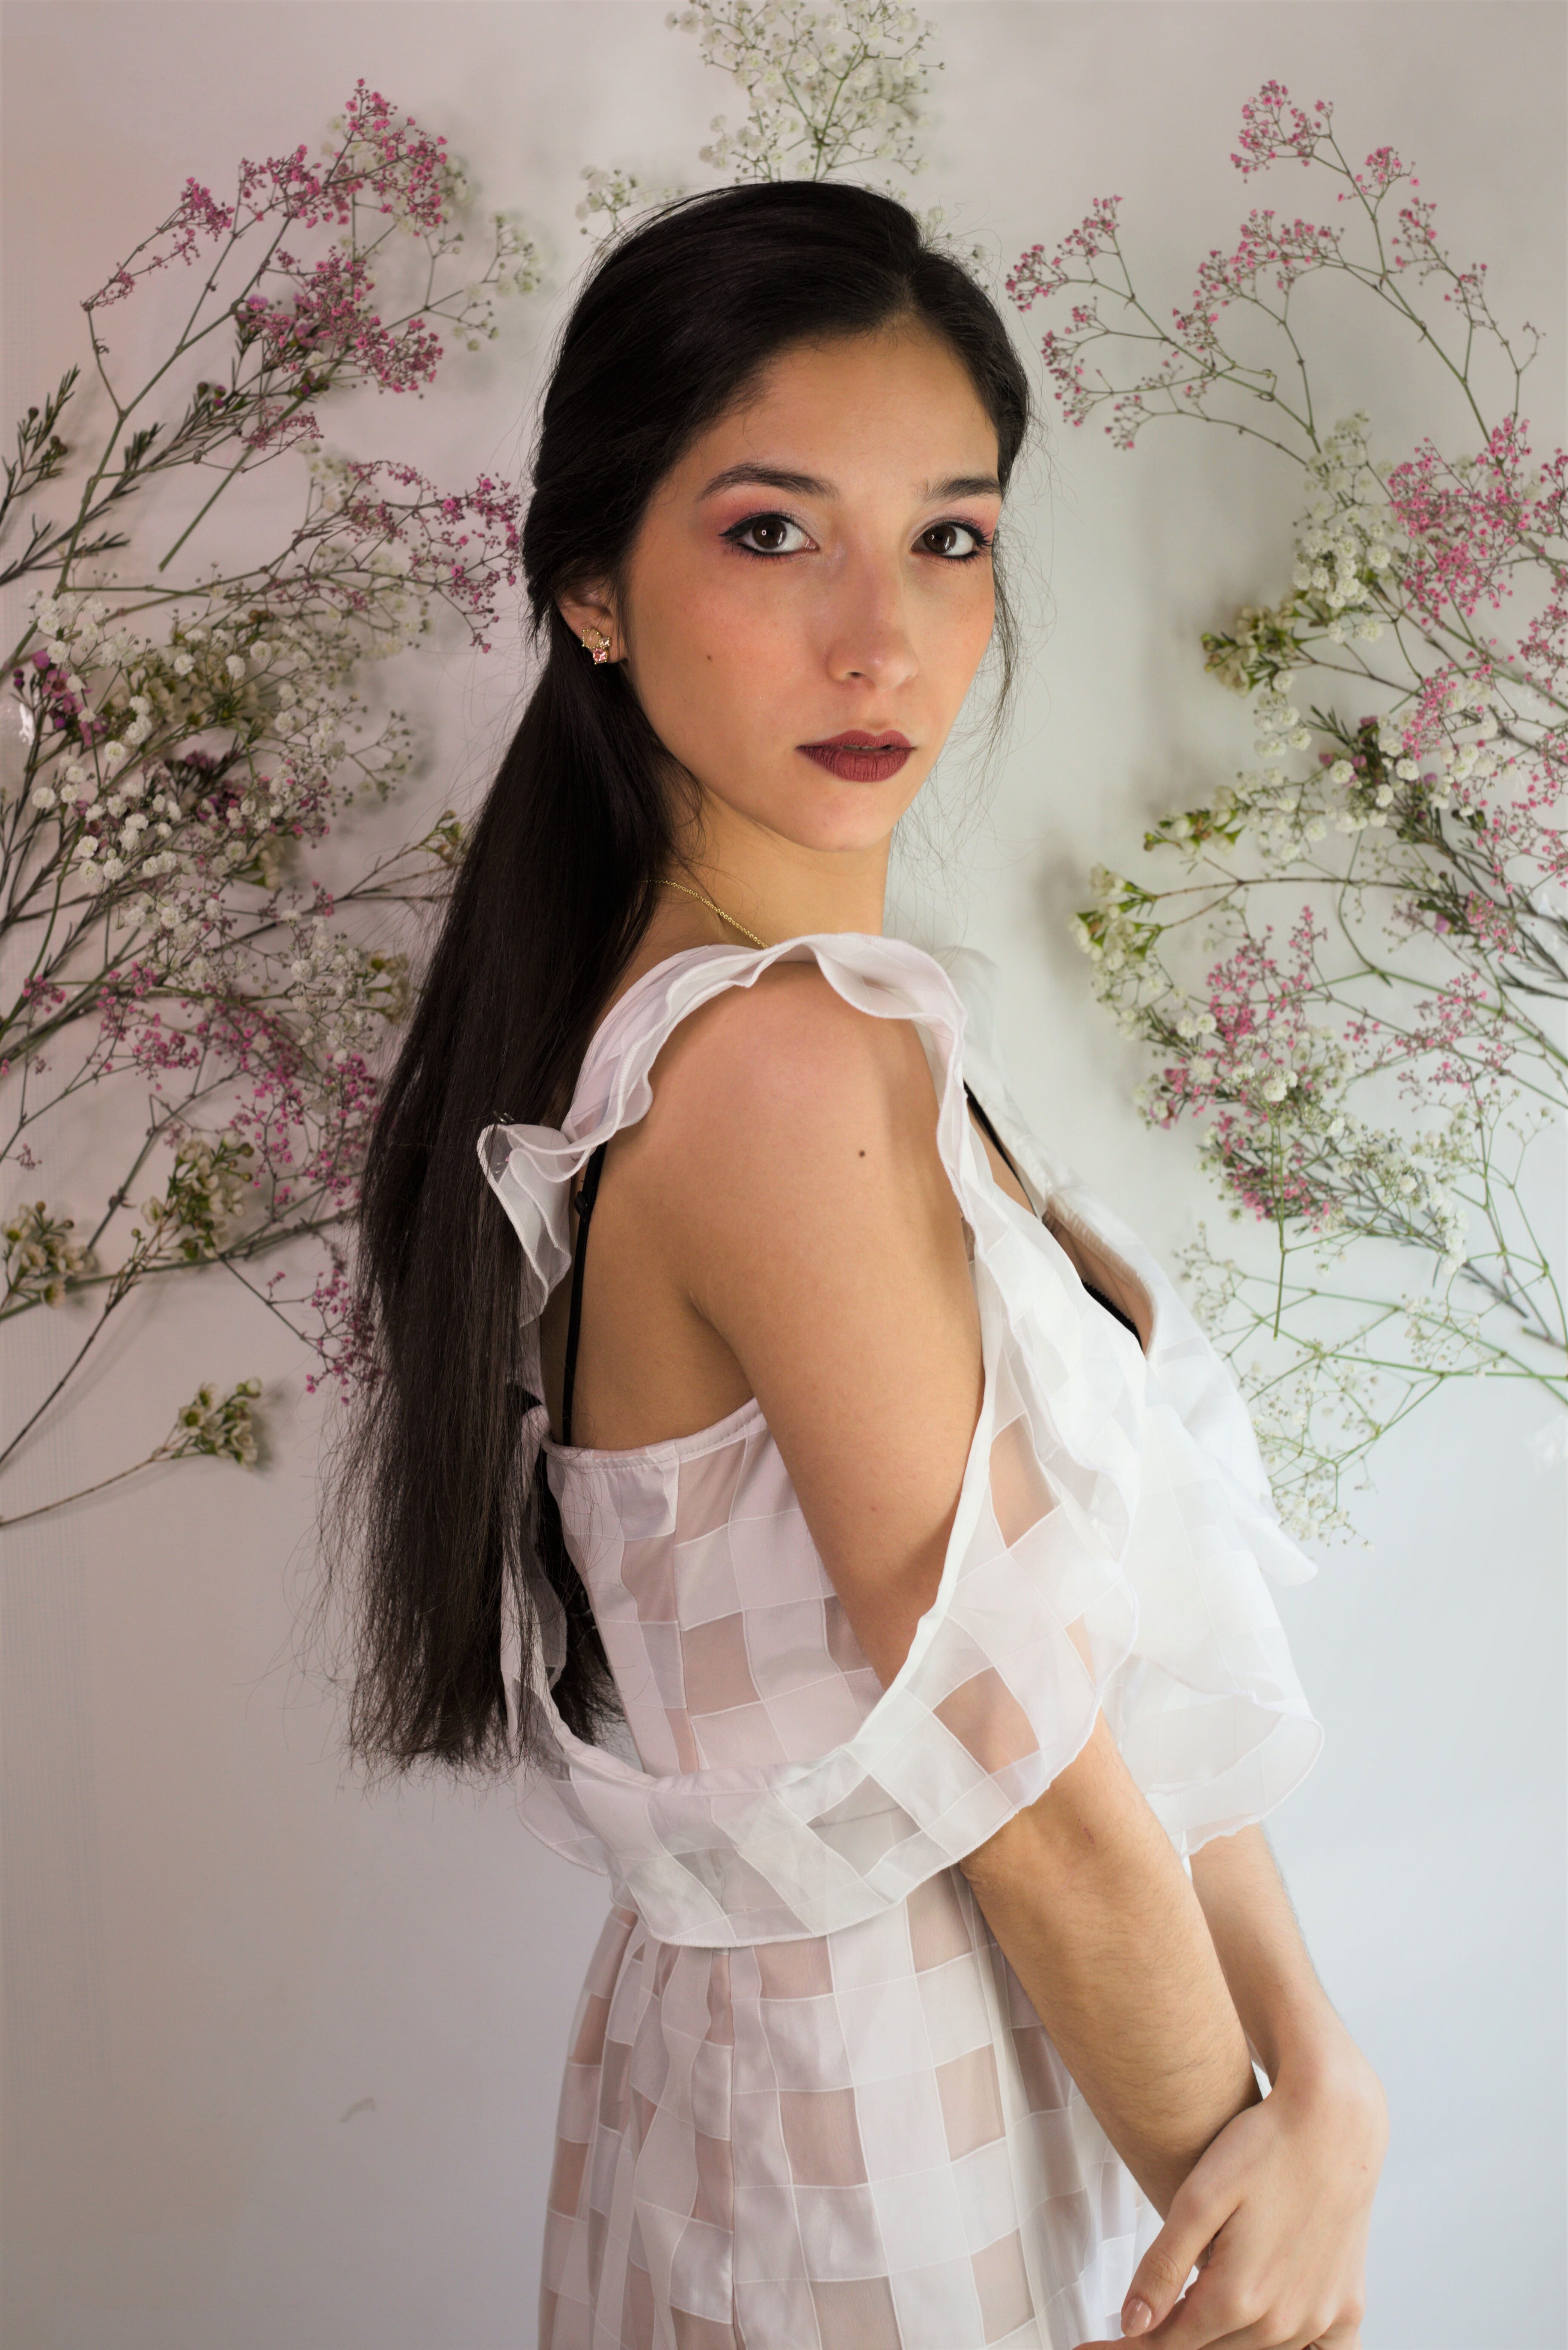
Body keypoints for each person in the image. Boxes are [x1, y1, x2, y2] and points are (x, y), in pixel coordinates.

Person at [334, 180, 1387, 2350]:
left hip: (936, 2079)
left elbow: (1099, 1646)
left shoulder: (834, 1023)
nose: (880, 638)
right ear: (593, 592)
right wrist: (1256, 2248)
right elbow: (1028, 1788)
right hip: (859, 2136)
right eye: (767, 530)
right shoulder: (770, 1066)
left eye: (949, 534)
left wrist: (1324, 2083)